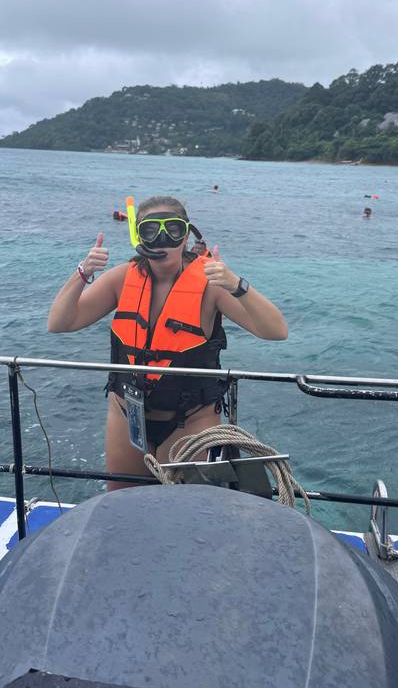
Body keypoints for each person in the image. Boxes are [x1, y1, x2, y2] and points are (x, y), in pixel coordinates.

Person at [47, 195, 288, 489]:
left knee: (187, 516)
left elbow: (275, 331)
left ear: (186, 234)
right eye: (151, 230)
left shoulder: (211, 284)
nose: (163, 239)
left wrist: (236, 285)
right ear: (139, 235)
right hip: (127, 417)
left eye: (173, 230)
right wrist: (83, 272)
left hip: (190, 422)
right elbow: (59, 323)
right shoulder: (122, 278)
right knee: (123, 506)